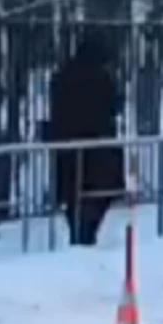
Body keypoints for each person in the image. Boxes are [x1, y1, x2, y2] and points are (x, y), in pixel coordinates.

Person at [45, 35, 125, 247]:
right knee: (97, 195)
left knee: (73, 197)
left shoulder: (61, 76)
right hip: (96, 148)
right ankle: (87, 234)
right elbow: (111, 107)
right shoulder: (101, 78)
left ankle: (78, 234)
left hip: (67, 149)